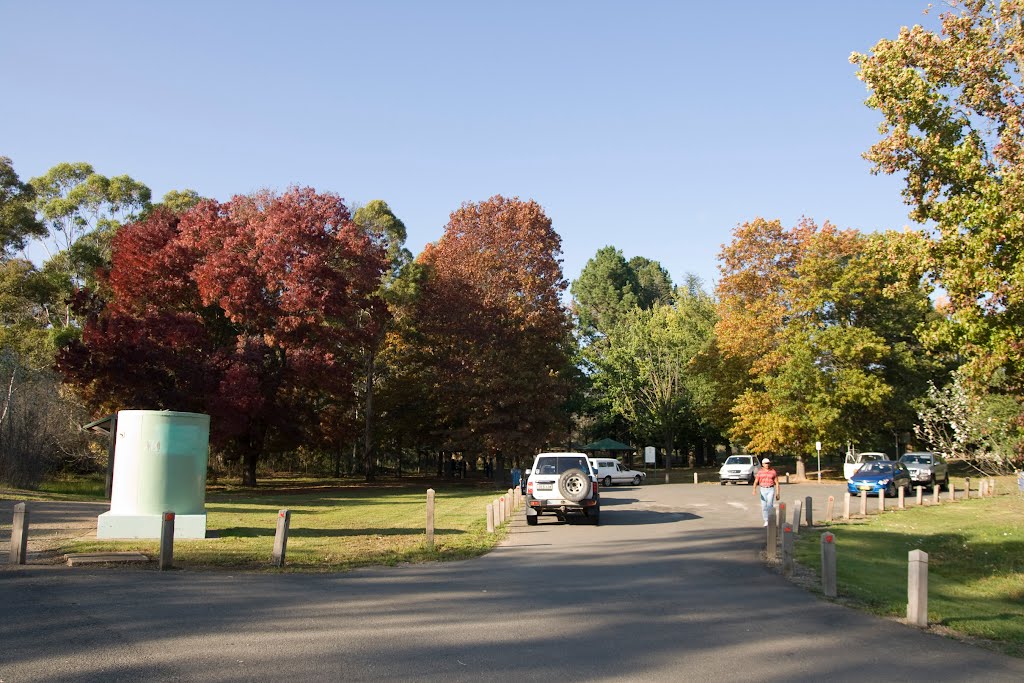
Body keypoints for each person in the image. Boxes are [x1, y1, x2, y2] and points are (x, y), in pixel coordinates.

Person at [752, 457, 780, 526]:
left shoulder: (773, 471)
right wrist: (754, 489)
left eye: (768, 463)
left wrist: (778, 493)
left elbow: (776, 482)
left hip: (770, 489)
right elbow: (756, 481)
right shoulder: (760, 472)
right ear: (762, 464)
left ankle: (771, 519)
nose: (767, 465)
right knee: (764, 506)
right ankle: (766, 520)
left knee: (770, 504)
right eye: (765, 463)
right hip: (763, 489)